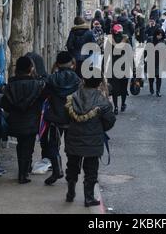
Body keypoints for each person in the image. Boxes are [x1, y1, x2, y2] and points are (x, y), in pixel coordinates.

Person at [64, 76, 116, 206]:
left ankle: (70, 193)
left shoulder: (72, 98)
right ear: (99, 83)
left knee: (72, 166)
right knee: (91, 170)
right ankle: (89, 197)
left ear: (83, 81)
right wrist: (99, 128)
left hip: (73, 139)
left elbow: (65, 118)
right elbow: (110, 121)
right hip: (93, 141)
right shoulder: (102, 101)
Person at [2, 57, 46, 184]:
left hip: (15, 121)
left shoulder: (10, 85)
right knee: (28, 147)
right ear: (31, 69)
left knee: (21, 146)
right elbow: (41, 102)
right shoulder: (37, 85)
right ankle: (23, 173)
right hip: (32, 121)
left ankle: (23, 171)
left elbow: (5, 104)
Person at [42, 52, 81, 185]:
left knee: (53, 145)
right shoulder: (76, 79)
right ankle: (72, 173)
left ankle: (57, 169)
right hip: (72, 117)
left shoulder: (52, 79)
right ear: (71, 64)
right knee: (72, 146)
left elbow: (44, 94)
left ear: (57, 63)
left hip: (55, 118)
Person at [108, 24, 130, 115]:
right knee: (124, 88)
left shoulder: (110, 41)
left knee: (114, 89)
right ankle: (123, 104)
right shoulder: (126, 41)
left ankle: (116, 107)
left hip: (113, 68)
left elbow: (106, 56)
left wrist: (102, 69)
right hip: (124, 67)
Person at [148, 28, 166, 97]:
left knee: (159, 77)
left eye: (161, 35)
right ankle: (151, 87)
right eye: (158, 35)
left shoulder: (164, 41)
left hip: (160, 61)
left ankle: (158, 90)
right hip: (151, 60)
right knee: (151, 77)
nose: (159, 37)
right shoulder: (150, 39)